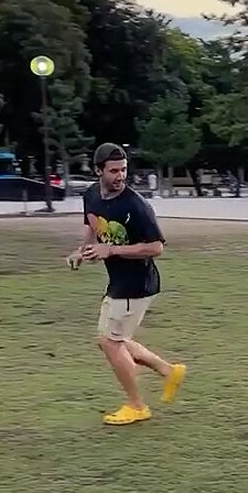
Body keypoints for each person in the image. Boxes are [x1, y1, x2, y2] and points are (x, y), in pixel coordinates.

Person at [67, 143, 187, 426]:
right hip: (119, 282)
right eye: (114, 171)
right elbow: (92, 224)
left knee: (111, 343)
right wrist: (81, 251)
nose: (120, 176)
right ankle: (168, 371)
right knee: (110, 340)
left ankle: (136, 405)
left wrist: (112, 251)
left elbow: (156, 247)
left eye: (123, 170)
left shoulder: (136, 205)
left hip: (137, 284)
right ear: (98, 171)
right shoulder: (92, 195)